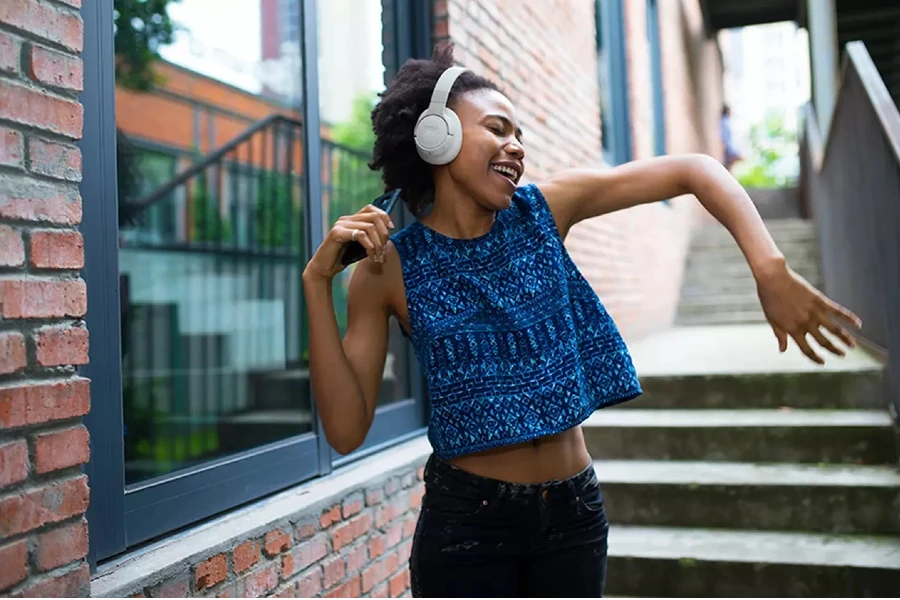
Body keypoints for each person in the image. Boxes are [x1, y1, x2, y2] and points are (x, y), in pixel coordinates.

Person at [302, 45, 861, 598]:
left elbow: (695, 170)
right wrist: (317, 283)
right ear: (437, 136)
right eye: (497, 129)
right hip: (467, 529)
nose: (515, 147)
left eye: (519, 135)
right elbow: (347, 432)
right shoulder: (386, 270)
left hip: (573, 515)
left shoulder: (544, 210)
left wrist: (770, 268)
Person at [721, 104, 742, 171]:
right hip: (728, 146)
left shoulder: (727, 121)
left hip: (729, 146)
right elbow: (724, 136)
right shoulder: (725, 121)